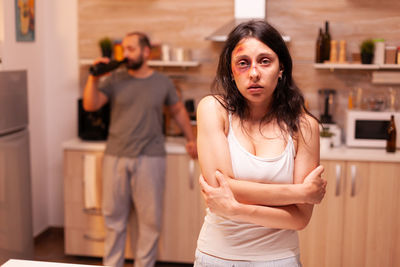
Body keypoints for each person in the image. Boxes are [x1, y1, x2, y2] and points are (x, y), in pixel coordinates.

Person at [194, 20, 326, 266]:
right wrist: (301, 192)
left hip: (278, 259)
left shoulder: (304, 127)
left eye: (265, 61)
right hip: (215, 257)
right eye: (243, 63)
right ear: (232, 72)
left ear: (281, 67)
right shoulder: (213, 109)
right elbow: (220, 186)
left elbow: (299, 218)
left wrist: (235, 210)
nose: (254, 72)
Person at [83, 31, 197, 267]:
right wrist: (94, 77)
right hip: (115, 156)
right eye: (124, 49)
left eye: (131, 49)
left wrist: (191, 139)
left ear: (146, 52)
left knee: (150, 222)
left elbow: (177, 111)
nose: (126, 54)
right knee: (113, 221)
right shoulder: (114, 79)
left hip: (150, 158)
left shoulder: (162, 82)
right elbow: (90, 104)